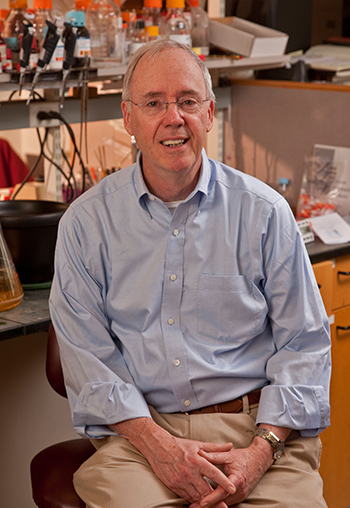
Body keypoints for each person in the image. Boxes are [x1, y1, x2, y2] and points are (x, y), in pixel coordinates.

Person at [49, 39, 331, 508]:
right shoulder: (85, 224)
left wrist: (259, 454)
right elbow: (88, 362)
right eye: (154, 103)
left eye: (187, 101)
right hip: (142, 439)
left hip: (257, 430)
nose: (172, 118)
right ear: (128, 117)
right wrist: (160, 448)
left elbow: (305, 345)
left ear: (209, 113)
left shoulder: (264, 214)